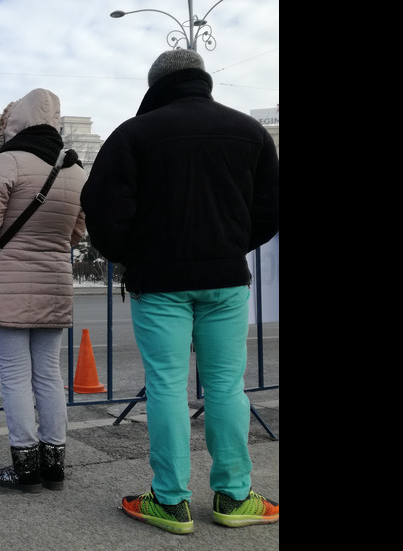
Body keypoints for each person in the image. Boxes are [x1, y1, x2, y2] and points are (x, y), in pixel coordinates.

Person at [80, 49, 280, 534]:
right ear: (203, 79)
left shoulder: (133, 134)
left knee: (167, 386)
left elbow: (102, 209)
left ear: (155, 85)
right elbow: (270, 209)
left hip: (160, 282)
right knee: (227, 385)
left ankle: (170, 501)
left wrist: (131, 253)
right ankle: (235, 496)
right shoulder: (250, 133)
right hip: (226, 279)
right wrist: (230, 244)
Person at [0, 88, 87, 493]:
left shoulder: (10, 160)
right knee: (50, 376)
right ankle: (54, 465)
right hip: (56, 282)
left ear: (16, 121)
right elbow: (76, 232)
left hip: (11, 284)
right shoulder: (73, 167)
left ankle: (25, 467)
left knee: (16, 378)